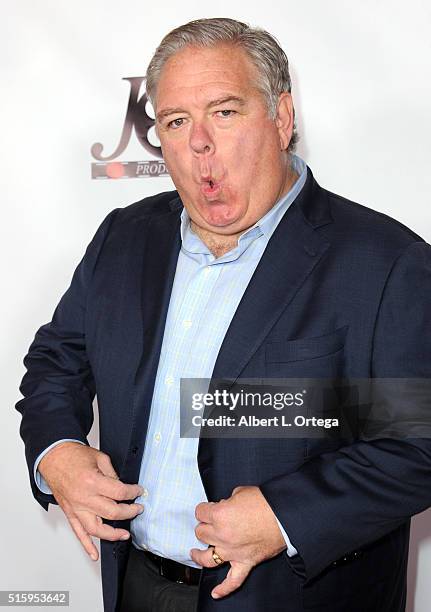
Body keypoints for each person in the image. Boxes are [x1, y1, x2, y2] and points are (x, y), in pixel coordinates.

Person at [16, 17, 431, 612]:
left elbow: (418, 444)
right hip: (134, 585)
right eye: (176, 122)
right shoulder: (124, 236)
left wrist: (287, 515)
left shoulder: (388, 263)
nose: (198, 143)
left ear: (283, 118)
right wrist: (56, 449)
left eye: (225, 112)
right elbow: (58, 358)